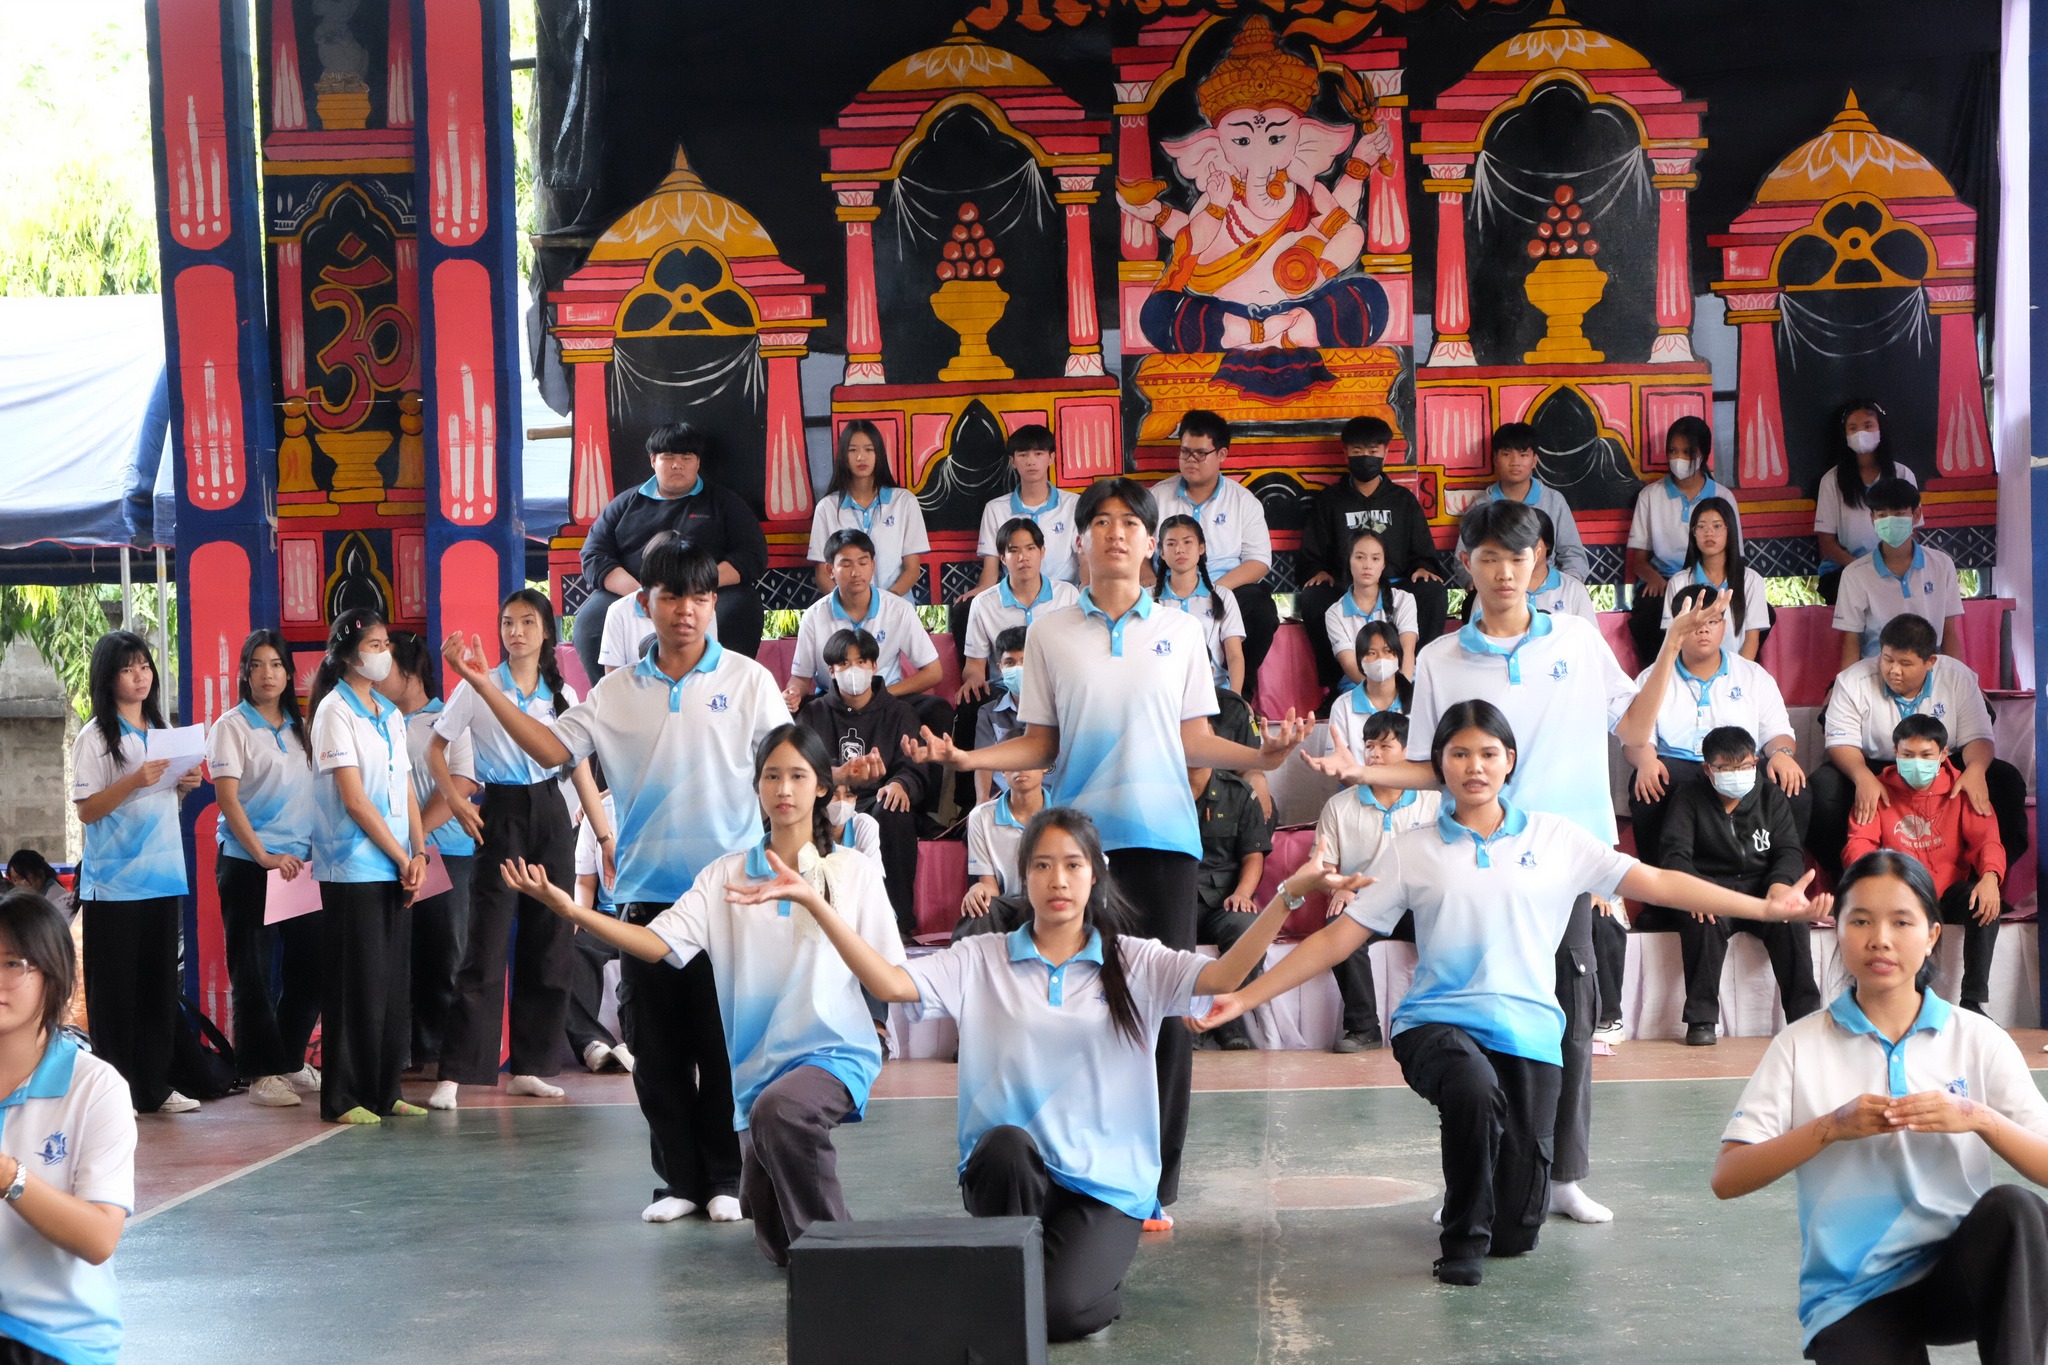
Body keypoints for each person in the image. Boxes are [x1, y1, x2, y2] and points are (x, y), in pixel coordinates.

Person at [1206, 702, 1828, 1284]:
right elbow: (1338, 939)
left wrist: (1764, 909)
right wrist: (1248, 995)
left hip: (1531, 1032)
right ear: (1438, 766)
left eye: (1487, 753)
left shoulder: (1557, 839)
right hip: (1436, 1024)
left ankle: (1486, 1212)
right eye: (1457, 754)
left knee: (1518, 1235)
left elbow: (1662, 881)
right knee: (1472, 1091)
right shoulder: (1412, 850)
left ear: (1509, 760)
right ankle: (1459, 1243)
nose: (1473, 767)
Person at [788, 805, 1369, 1340]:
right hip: (1017, 1176)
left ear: (1096, 875)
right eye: (1042, 866)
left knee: (1057, 1314)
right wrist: (820, 905)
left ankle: (1062, 1283)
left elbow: (1222, 978)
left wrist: (1287, 896)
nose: (1057, 880)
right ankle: (1014, 1273)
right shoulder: (981, 958)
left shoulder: (1135, 960)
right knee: (1005, 1149)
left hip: (1105, 1185)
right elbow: (891, 983)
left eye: (1072, 865)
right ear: (1023, 876)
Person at [904, 475, 1312, 1226]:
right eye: (1102, 522)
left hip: (1164, 844)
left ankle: (1157, 1182)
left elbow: (1194, 738)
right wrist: (967, 763)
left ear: (1151, 544)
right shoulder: (1053, 633)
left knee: (1163, 1012)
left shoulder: (1182, 631)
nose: (1117, 533)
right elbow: (1041, 743)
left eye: (1132, 522)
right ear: (1080, 539)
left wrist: (1262, 755)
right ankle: (1082, 1161)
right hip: (1083, 852)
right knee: (1093, 1011)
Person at [1306, 499, 1677, 1227]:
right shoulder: (1443, 656)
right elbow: (1428, 764)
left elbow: (1632, 726)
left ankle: (1562, 1174)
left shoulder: (1575, 636)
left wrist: (1666, 653)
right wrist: (1361, 772)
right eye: (1489, 557)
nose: (1505, 570)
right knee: (1479, 1025)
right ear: (1467, 564)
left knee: (1569, 1015)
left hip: (1564, 859)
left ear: (1539, 560)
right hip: (1475, 858)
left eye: (1519, 556)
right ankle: (1477, 1174)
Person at [441, 538, 792, 1225]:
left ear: (712, 603)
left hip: (729, 897)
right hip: (646, 898)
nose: (685, 610)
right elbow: (549, 748)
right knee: (656, 1053)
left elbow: (787, 771)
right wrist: (483, 684)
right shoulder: (615, 691)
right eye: (670, 596)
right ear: (645, 604)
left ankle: (725, 1175)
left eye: (698, 596)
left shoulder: (750, 681)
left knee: (722, 1048)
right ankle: (678, 1182)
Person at [500, 724, 906, 1266]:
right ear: (757, 788)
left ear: (823, 788)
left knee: (784, 1112)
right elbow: (653, 942)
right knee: (775, 1238)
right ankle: (813, 1252)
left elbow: (894, 982)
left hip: (835, 1052)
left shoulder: (851, 871)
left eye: (798, 776)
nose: (784, 788)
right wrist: (573, 910)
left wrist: (819, 905)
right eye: (772, 776)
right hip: (759, 1069)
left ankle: (846, 1265)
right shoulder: (723, 877)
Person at [1712, 851, 2048, 1365]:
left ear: (1933, 933)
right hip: (1853, 1293)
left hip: (1955, 1273)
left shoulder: (1978, 1038)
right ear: (1837, 930)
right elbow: (1727, 1177)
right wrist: (1829, 1128)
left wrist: (1979, 1118)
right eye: (1861, 921)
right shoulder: (1800, 1044)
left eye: (1901, 921)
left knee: (2018, 1212)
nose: (1880, 939)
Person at [425, 590, 606, 1112]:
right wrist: (457, 801)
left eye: (528, 622)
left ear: (548, 631)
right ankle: (456, 1073)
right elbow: (436, 747)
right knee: (483, 944)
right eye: (508, 622)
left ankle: (533, 1066)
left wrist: (603, 833)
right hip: (500, 810)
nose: (516, 632)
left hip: (551, 813)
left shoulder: (563, 693)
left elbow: (579, 769)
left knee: (551, 942)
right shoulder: (480, 683)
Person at [0, 892, 136, 1365]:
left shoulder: (95, 1089)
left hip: (52, 1340)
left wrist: (9, 1177)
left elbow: (99, 1239)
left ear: (52, 973)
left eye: (13, 964)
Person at [71, 631, 202, 1116]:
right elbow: (86, 811)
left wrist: (183, 785)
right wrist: (133, 779)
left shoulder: (161, 733)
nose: (140, 675)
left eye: (144, 666)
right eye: (128, 668)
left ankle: (155, 1086)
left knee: (157, 989)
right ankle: (115, 1095)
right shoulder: (94, 737)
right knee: (115, 995)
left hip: (164, 877)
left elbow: (161, 800)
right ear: (109, 677)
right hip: (115, 885)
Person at [306, 609, 430, 1125]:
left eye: (387, 644)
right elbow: (355, 800)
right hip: (353, 867)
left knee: (391, 985)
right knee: (354, 983)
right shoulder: (335, 711)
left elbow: (404, 786)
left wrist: (419, 851)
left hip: (397, 865)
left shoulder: (390, 713)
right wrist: (402, 856)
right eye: (375, 644)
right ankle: (343, 1096)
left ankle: (385, 1088)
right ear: (347, 652)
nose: (385, 654)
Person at [1811, 612, 2027, 883]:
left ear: (1930, 662)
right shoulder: (1852, 680)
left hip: (1942, 764)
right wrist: (1862, 776)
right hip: (1875, 766)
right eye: (1887, 659)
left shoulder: (1957, 677)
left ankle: (1983, 884)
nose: (1893, 670)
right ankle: (1851, 882)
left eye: (1905, 663)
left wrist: (1976, 770)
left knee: (2006, 782)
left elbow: (1979, 737)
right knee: (1822, 789)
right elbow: (1841, 743)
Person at [205, 628, 321, 1108]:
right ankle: (259, 1073)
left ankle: (289, 1058)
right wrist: (264, 856)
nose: (267, 674)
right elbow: (228, 800)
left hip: (300, 866)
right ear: (244, 673)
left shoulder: (302, 728)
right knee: (250, 970)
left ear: (289, 673)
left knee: (310, 968)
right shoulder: (230, 726)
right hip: (249, 864)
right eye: (257, 664)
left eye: (276, 664)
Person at [1626, 582, 1807, 878]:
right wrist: (1645, 761)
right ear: (1675, 627)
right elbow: (1636, 738)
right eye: (1695, 623)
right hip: (1680, 767)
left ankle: (1782, 883)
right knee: (1647, 787)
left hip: (1740, 766)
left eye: (1712, 621)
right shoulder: (1651, 677)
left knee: (1795, 788)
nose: (1704, 630)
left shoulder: (1752, 675)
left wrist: (1783, 754)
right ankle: (1660, 897)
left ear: (1724, 627)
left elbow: (1778, 733)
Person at [1657, 726, 1822, 1046]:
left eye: (1745, 767)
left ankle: (1805, 1015)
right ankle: (1701, 1018)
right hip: (1713, 888)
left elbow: (1789, 850)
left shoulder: (1769, 795)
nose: (1737, 775)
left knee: (1791, 920)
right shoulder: (1689, 796)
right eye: (1725, 769)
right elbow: (1674, 855)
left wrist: (1780, 886)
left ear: (1756, 762)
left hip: (1763, 888)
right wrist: (1699, 891)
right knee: (1700, 920)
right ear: (1707, 769)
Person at [576, 421, 769, 683]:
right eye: (668, 457)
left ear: (698, 462)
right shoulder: (624, 504)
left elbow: (751, 554)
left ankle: (724, 693)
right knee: (592, 619)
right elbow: (594, 555)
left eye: (686, 457)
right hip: (635, 591)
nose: (677, 464)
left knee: (741, 608)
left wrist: (697, 586)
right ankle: (612, 700)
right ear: (653, 460)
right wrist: (642, 594)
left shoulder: (724, 503)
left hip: (706, 591)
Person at [1844, 715, 2007, 1016]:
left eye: (1925, 755)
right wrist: (1875, 881)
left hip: (1949, 891)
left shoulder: (1964, 787)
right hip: (1900, 893)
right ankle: (1906, 1006)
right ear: (1895, 752)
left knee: (1984, 904)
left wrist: (1990, 876)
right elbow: (1859, 843)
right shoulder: (1876, 790)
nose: (1915, 762)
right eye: (1907, 755)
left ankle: (1973, 1002)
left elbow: (1987, 841)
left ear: (1943, 754)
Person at [1313, 709, 1438, 1053]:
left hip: (1417, 902)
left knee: (1454, 921)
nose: (1374, 755)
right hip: (1367, 901)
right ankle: (1363, 1027)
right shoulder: (1339, 805)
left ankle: (1443, 1021)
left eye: (1385, 746)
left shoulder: (1434, 802)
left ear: (1409, 752)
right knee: (1338, 924)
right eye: (1369, 746)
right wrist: (1338, 886)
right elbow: (1322, 867)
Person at [382, 632, 474, 1076]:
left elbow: (462, 784)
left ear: (411, 672)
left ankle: (440, 1055)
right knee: (396, 958)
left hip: (446, 853)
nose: (377, 675)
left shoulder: (447, 718)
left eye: (387, 665)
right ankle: (398, 1054)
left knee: (444, 956)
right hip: (390, 857)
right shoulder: (374, 721)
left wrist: (413, 832)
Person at [1298, 415, 1448, 688]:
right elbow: (1312, 553)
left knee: (1433, 591)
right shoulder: (1330, 501)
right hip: (1348, 586)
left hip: (1395, 585)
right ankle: (1336, 684)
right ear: (1345, 453)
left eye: (1372, 451)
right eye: (1357, 452)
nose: (1364, 457)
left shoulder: (1403, 501)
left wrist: (1424, 567)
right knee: (1313, 597)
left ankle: (1416, 679)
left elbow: (1423, 552)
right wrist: (1317, 571)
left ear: (1385, 453)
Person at [796, 629, 926, 938]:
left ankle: (895, 921)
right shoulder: (812, 713)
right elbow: (801, 764)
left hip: (878, 799)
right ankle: (815, 918)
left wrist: (900, 785)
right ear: (831, 671)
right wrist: (835, 781)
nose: (854, 670)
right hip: (828, 799)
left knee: (894, 811)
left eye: (862, 661)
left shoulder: (900, 713)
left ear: (875, 666)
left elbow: (913, 768)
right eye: (844, 664)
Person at [1151, 412, 1278, 697]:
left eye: (1200, 453)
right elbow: (1138, 555)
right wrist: (1152, 588)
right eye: (1185, 452)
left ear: (1221, 454)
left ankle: (1237, 694)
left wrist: (1214, 591)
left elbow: (1259, 560)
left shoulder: (1243, 501)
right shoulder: (1158, 497)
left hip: (1225, 588)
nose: (1190, 460)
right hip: (1167, 587)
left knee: (1261, 608)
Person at [784, 529, 944, 710]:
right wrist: (793, 693)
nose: (856, 572)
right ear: (830, 570)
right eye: (846, 565)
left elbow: (933, 672)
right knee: (793, 715)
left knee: (937, 710)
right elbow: (801, 677)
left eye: (863, 562)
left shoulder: (899, 609)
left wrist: (882, 695)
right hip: (834, 703)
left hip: (886, 699)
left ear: (873, 566)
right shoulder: (813, 616)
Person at [950, 424, 1080, 644]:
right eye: (1023, 454)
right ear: (1012, 461)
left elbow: (1085, 562)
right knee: (966, 608)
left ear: (1051, 458)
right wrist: (979, 593)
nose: (1031, 461)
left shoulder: (1074, 504)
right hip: (1015, 594)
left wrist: (1084, 597)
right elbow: (991, 569)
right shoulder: (996, 508)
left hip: (1063, 598)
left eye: (1038, 454)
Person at [1624, 415, 1738, 663]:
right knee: (1647, 617)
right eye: (1673, 451)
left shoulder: (1723, 496)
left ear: (1704, 454)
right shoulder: (1650, 496)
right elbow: (1639, 561)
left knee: (1759, 614)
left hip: (1712, 581)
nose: (1679, 458)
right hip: (1664, 583)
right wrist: (1654, 578)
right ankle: (1660, 678)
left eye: (1687, 452)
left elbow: (1734, 553)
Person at [1833, 478, 1964, 666]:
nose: (1890, 521)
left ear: (1916, 515)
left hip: (1929, 671)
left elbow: (1949, 631)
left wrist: (1959, 680)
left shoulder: (1942, 565)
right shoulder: (1854, 574)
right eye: (1882, 515)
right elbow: (1851, 639)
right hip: (1877, 672)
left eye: (1899, 514)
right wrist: (1846, 688)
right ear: (1873, 518)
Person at [1190, 764, 1273, 1052]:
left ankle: (1226, 1022)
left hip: (1224, 899)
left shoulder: (1237, 793)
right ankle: (1182, 1025)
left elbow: (1253, 855)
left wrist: (1243, 892)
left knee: (1247, 929)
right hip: (1176, 896)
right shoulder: (1159, 791)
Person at [960, 518, 1081, 704]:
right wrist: (974, 679)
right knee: (971, 700)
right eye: (1013, 551)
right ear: (1002, 558)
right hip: (1005, 688)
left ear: (1042, 552)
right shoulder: (983, 604)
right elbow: (974, 666)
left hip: (1057, 687)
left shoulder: (1067, 595)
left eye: (1030, 548)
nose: (1022, 557)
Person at [807, 419, 928, 600]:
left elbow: (912, 569)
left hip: (895, 607)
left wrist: (885, 604)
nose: (860, 457)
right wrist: (849, 605)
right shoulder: (827, 508)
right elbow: (823, 573)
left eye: (869, 449)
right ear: (843, 456)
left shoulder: (904, 502)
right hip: (847, 613)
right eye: (852, 450)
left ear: (879, 453)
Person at [1813, 398, 1917, 605]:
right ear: (1845, 435)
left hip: (1894, 568)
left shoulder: (1903, 474)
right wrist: (1863, 568)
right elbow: (1826, 543)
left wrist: (1888, 568)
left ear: (1881, 429)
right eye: (1853, 428)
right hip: (1846, 570)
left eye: (1868, 426)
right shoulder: (1831, 481)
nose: (1861, 433)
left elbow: (1913, 532)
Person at [568, 783, 633, 1075]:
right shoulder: (599, 814)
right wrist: (578, 917)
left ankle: (635, 1046)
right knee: (569, 947)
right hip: (607, 918)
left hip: (650, 918)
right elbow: (584, 882)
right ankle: (592, 1044)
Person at [1660, 497, 1768, 660]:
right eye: (1701, 527)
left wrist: (1739, 679)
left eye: (1717, 526)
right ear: (1693, 533)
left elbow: (1752, 640)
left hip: (1734, 674)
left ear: (1730, 530)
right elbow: (1673, 639)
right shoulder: (1678, 582)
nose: (1709, 532)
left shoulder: (1752, 581)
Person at [1153, 514, 1247, 695]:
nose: (1180, 549)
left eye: (1187, 542)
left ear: (1201, 547)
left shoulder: (1223, 596)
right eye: (1171, 544)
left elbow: (1234, 655)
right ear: (1162, 553)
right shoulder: (1148, 599)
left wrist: (1236, 700)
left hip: (1215, 691)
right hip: (1164, 693)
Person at [1482, 422, 1585, 578]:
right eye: (1507, 454)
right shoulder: (1481, 505)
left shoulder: (1553, 501)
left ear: (1534, 460)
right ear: (1495, 459)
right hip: (1497, 586)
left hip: (1547, 590)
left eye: (1523, 455)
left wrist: (1565, 588)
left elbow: (1573, 555)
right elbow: (1465, 556)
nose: (1515, 462)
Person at [1322, 526, 1418, 687]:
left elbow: (1408, 652)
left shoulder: (1404, 600)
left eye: (1375, 559)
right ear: (1349, 561)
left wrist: (1401, 693)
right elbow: (1350, 664)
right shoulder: (1334, 613)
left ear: (1384, 564)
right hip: (1359, 687)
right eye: (1360, 557)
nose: (1367, 565)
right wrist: (1378, 694)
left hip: (1404, 683)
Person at [961, 766, 1046, 920]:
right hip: (1008, 906)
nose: (1020, 768)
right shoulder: (981, 817)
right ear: (1002, 770)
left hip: (1051, 903)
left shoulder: (1065, 815)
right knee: (977, 909)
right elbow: (990, 886)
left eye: (1028, 759)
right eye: (1012, 762)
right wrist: (979, 888)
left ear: (1045, 765)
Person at [1323, 620, 1411, 761]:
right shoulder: (1343, 706)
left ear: (1399, 657)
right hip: (1357, 782)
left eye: (1388, 651)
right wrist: (1366, 781)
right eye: (1371, 653)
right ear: (1359, 661)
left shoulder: (1419, 702)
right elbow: (1338, 762)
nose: (1381, 660)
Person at [971, 628, 1029, 807]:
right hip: (1003, 801)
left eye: (1025, 661)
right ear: (1000, 669)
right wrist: (982, 803)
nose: (1018, 668)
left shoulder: (1057, 710)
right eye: (1010, 663)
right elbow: (983, 761)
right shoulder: (989, 713)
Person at [1523, 509, 1599, 627]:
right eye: (1519, 542)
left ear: (1548, 543)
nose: (1525, 548)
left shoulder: (1573, 589)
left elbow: (1590, 641)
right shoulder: (1501, 588)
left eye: (1532, 540)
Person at [4, 853, 72, 921]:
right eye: (15, 880)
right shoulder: (25, 901)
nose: (18, 884)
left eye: (22, 878)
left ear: (40, 873)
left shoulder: (59, 899)